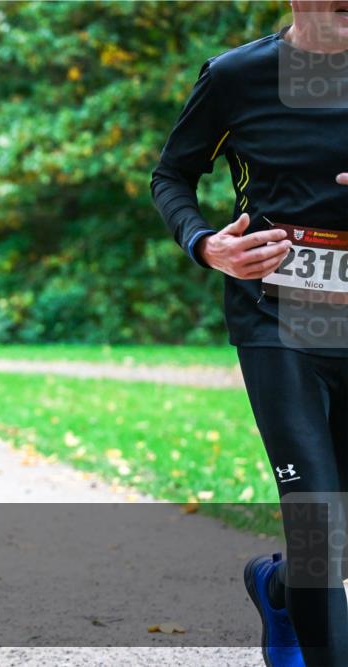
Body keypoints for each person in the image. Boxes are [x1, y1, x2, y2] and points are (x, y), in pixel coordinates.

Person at [151, 4, 347, 666]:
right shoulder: (237, 76)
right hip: (279, 317)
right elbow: (170, 175)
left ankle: (276, 585)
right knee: (319, 519)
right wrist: (207, 245)